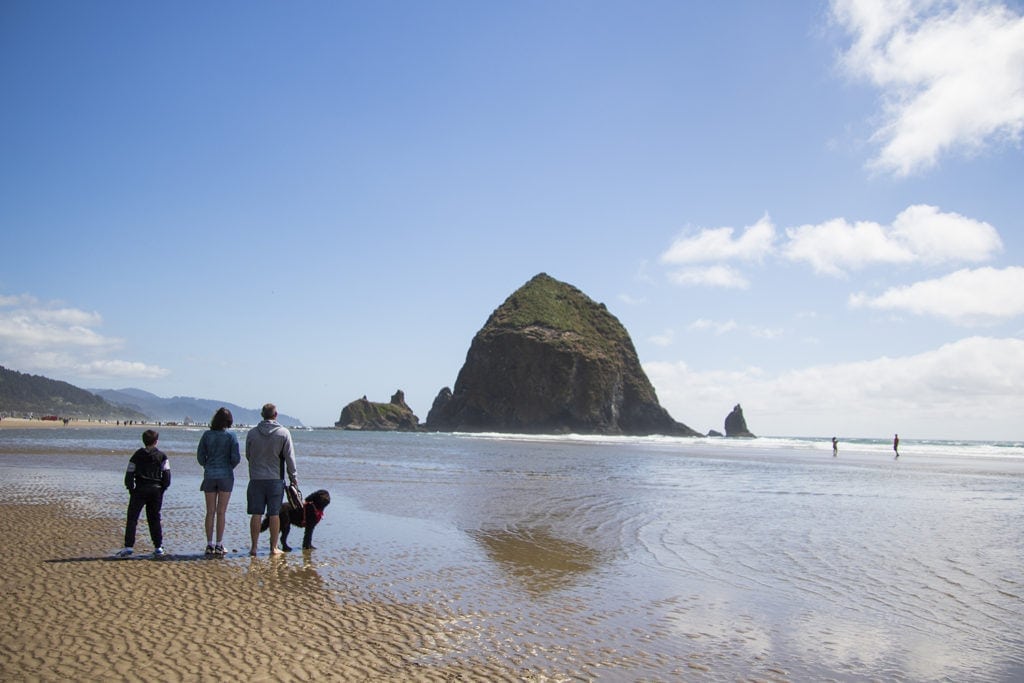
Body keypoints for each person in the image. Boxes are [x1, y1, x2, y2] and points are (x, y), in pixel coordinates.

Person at [245, 403, 297, 556]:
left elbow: (249, 455)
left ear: (262, 415)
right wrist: (293, 477)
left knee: (256, 513)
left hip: (256, 478)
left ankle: (254, 548)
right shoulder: (283, 433)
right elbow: (290, 458)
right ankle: (273, 548)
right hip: (275, 478)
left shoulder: (252, 433)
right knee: (274, 514)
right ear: (276, 415)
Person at [116, 429, 171, 557]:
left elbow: (129, 473)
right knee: (154, 518)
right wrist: (163, 488)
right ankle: (158, 546)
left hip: (140, 489)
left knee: (132, 518)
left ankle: (129, 546)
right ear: (156, 441)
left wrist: (131, 489)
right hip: (156, 489)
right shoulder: (162, 456)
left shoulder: (137, 455)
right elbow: (167, 475)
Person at [197, 407, 241, 556]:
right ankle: (219, 544)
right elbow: (236, 458)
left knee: (210, 511)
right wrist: (229, 467)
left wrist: (207, 465)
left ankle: (209, 544)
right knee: (221, 512)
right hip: (226, 475)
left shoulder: (207, 435)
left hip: (210, 474)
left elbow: (200, 456)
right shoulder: (231, 436)